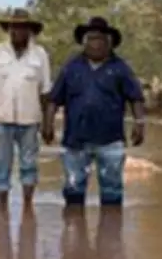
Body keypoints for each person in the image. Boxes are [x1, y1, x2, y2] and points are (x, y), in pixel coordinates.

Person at [42, 17, 146, 207]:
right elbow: (54, 99)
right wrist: (47, 125)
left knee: (112, 190)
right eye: (91, 39)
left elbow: (136, 98)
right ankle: (74, 232)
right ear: (84, 42)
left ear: (109, 42)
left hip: (110, 140)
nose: (95, 44)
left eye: (100, 39)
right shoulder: (71, 67)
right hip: (76, 139)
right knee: (73, 190)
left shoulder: (120, 68)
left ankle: (111, 233)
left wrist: (139, 124)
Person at [0, 8, 51, 207]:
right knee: (1, 166)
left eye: (22, 28)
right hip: (4, 120)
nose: (17, 32)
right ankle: (2, 206)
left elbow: (46, 91)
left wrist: (48, 124)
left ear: (30, 31)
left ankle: (27, 206)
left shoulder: (40, 55)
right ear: (9, 30)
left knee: (29, 165)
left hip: (30, 120)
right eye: (14, 28)